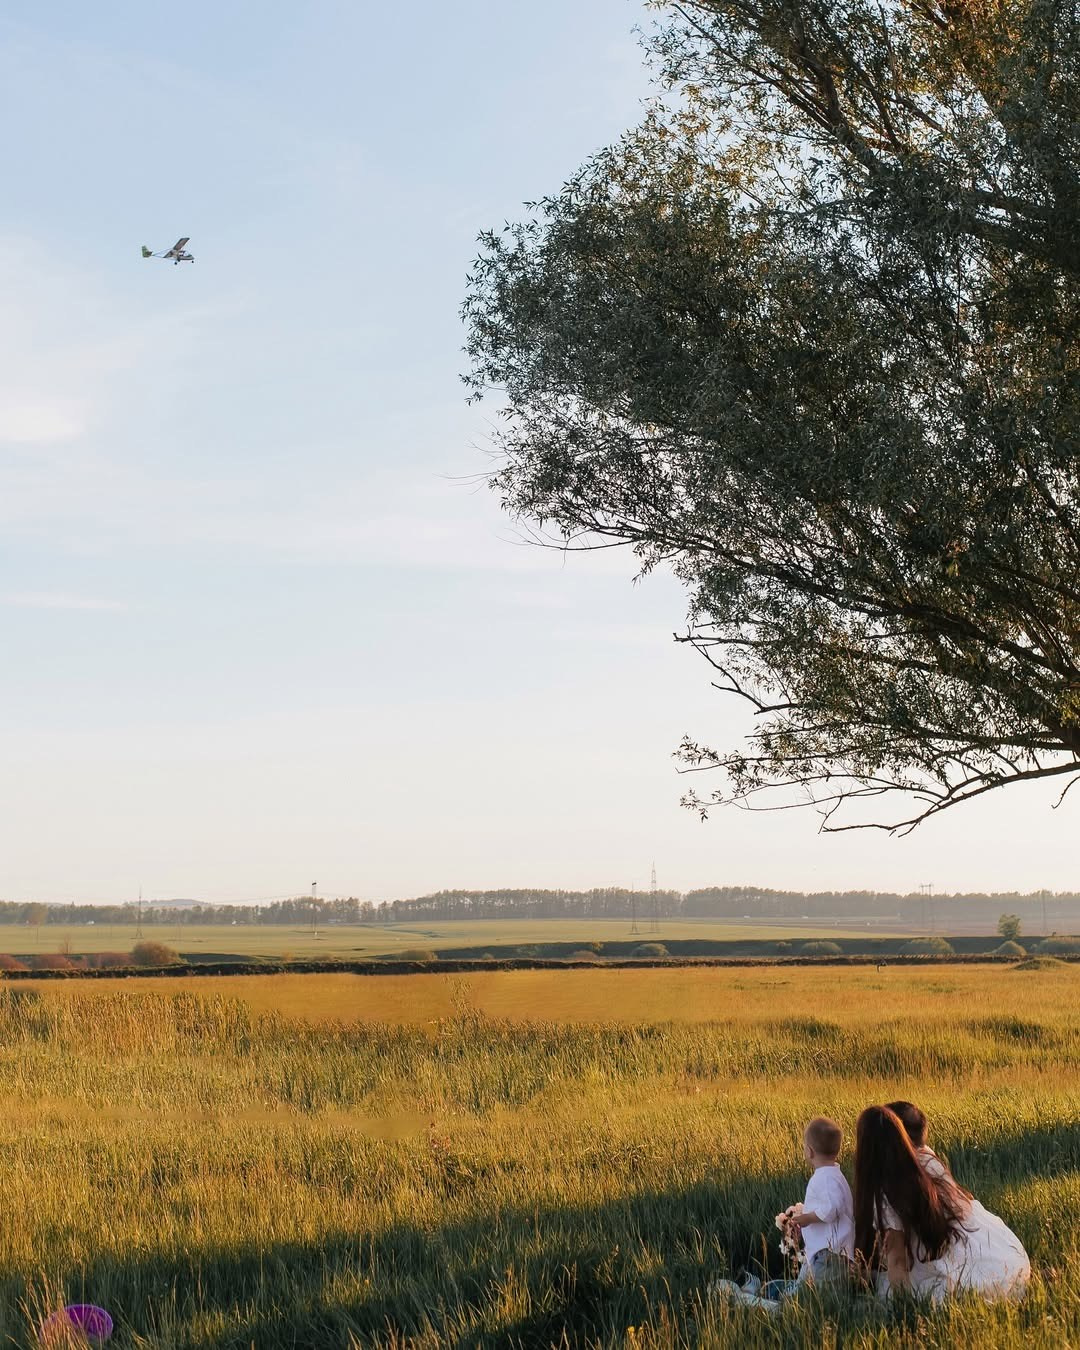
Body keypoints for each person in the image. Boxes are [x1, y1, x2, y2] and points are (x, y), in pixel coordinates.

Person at [854, 1105, 1030, 1302]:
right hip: (1009, 1259)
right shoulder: (928, 1158)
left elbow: (897, 1259)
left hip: (978, 1285)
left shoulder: (889, 1190)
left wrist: (901, 1311)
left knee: (887, 1292)